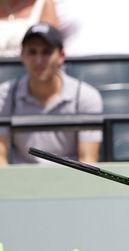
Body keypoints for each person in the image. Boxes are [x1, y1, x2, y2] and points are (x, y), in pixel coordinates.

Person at [0, 23, 103, 165]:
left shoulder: (86, 96)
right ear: (22, 55)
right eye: (32, 52)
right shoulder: (4, 95)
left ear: (61, 56)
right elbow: (0, 158)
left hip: (71, 182)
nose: (38, 61)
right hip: (21, 181)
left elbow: (88, 160)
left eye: (46, 52)